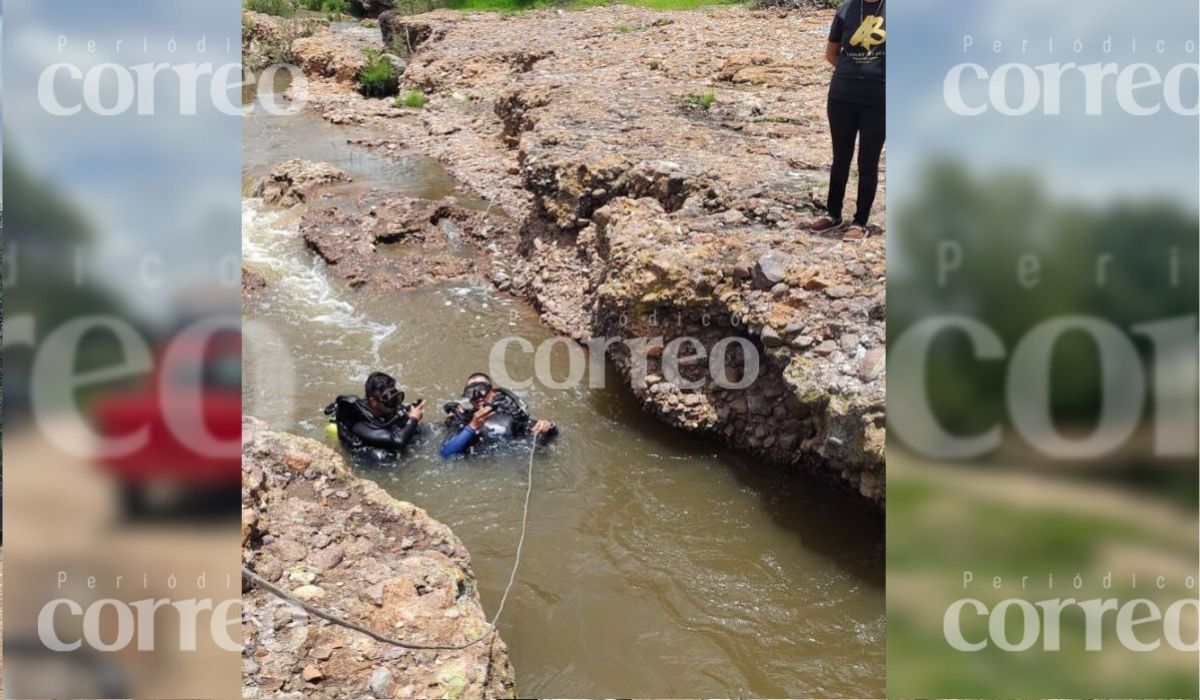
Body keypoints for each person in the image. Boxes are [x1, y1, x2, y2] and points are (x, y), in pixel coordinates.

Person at [810, 0, 886, 240]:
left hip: (879, 101)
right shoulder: (845, 9)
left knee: (868, 161)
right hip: (842, 97)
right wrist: (853, 72)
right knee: (840, 158)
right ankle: (833, 213)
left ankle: (860, 221)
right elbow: (831, 54)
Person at [440, 373, 557, 458]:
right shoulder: (464, 420)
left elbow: (551, 434)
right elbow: (445, 453)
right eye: (471, 392)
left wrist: (548, 426)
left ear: (492, 392)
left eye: (481, 389)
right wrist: (472, 427)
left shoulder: (511, 414)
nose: (477, 396)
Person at [324, 371, 426, 461]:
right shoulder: (356, 418)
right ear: (373, 401)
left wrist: (409, 414)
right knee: (384, 457)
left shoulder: (384, 405)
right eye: (390, 400)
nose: (395, 404)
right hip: (364, 451)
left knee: (418, 433)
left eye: (396, 398)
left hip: (381, 432)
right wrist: (413, 419)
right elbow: (398, 441)